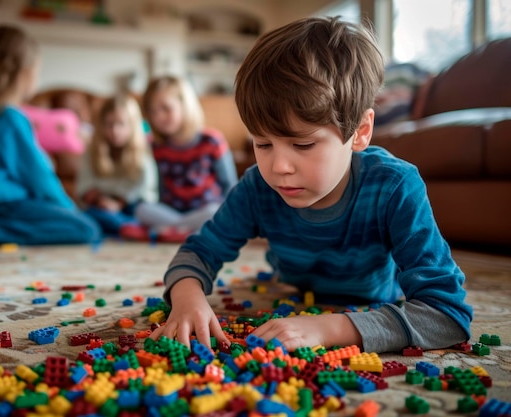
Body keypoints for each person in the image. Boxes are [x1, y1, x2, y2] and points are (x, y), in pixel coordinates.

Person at [150, 17, 472, 354]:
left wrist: (332, 328)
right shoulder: (258, 187)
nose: (279, 167)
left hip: (371, 299)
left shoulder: (395, 187)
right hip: (288, 289)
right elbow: (200, 251)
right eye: (263, 144)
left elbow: (448, 314)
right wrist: (187, 298)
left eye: (302, 145)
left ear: (360, 132)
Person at [0, 25, 101, 248]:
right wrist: (66, 207)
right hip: (6, 203)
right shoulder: (12, 119)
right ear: (23, 73)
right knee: (86, 228)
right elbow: (37, 175)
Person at [128, 76, 238, 242]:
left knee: (216, 211)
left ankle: (172, 231)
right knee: (142, 209)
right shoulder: (155, 145)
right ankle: (187, 231)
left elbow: (230, 185)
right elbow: (155, 188)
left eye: (165, 108)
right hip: (171, 211)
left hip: (205, 210)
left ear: (185, 105)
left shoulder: (212, 140)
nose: (158, 117)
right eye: (153, 111)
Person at [76, 94, 158, 236]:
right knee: (88, 215)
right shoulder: (92, 153)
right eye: (109, 124)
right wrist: (101, 200)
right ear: (101, 125)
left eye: (121, 124)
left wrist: (119, 203)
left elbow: (143, 189)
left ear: (132, 125)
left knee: (144, 211)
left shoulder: (142, 152)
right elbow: (84, 186)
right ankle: (127, 228)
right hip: (102, 206)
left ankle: (125, 227)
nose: (115, 130)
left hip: (132, 206)